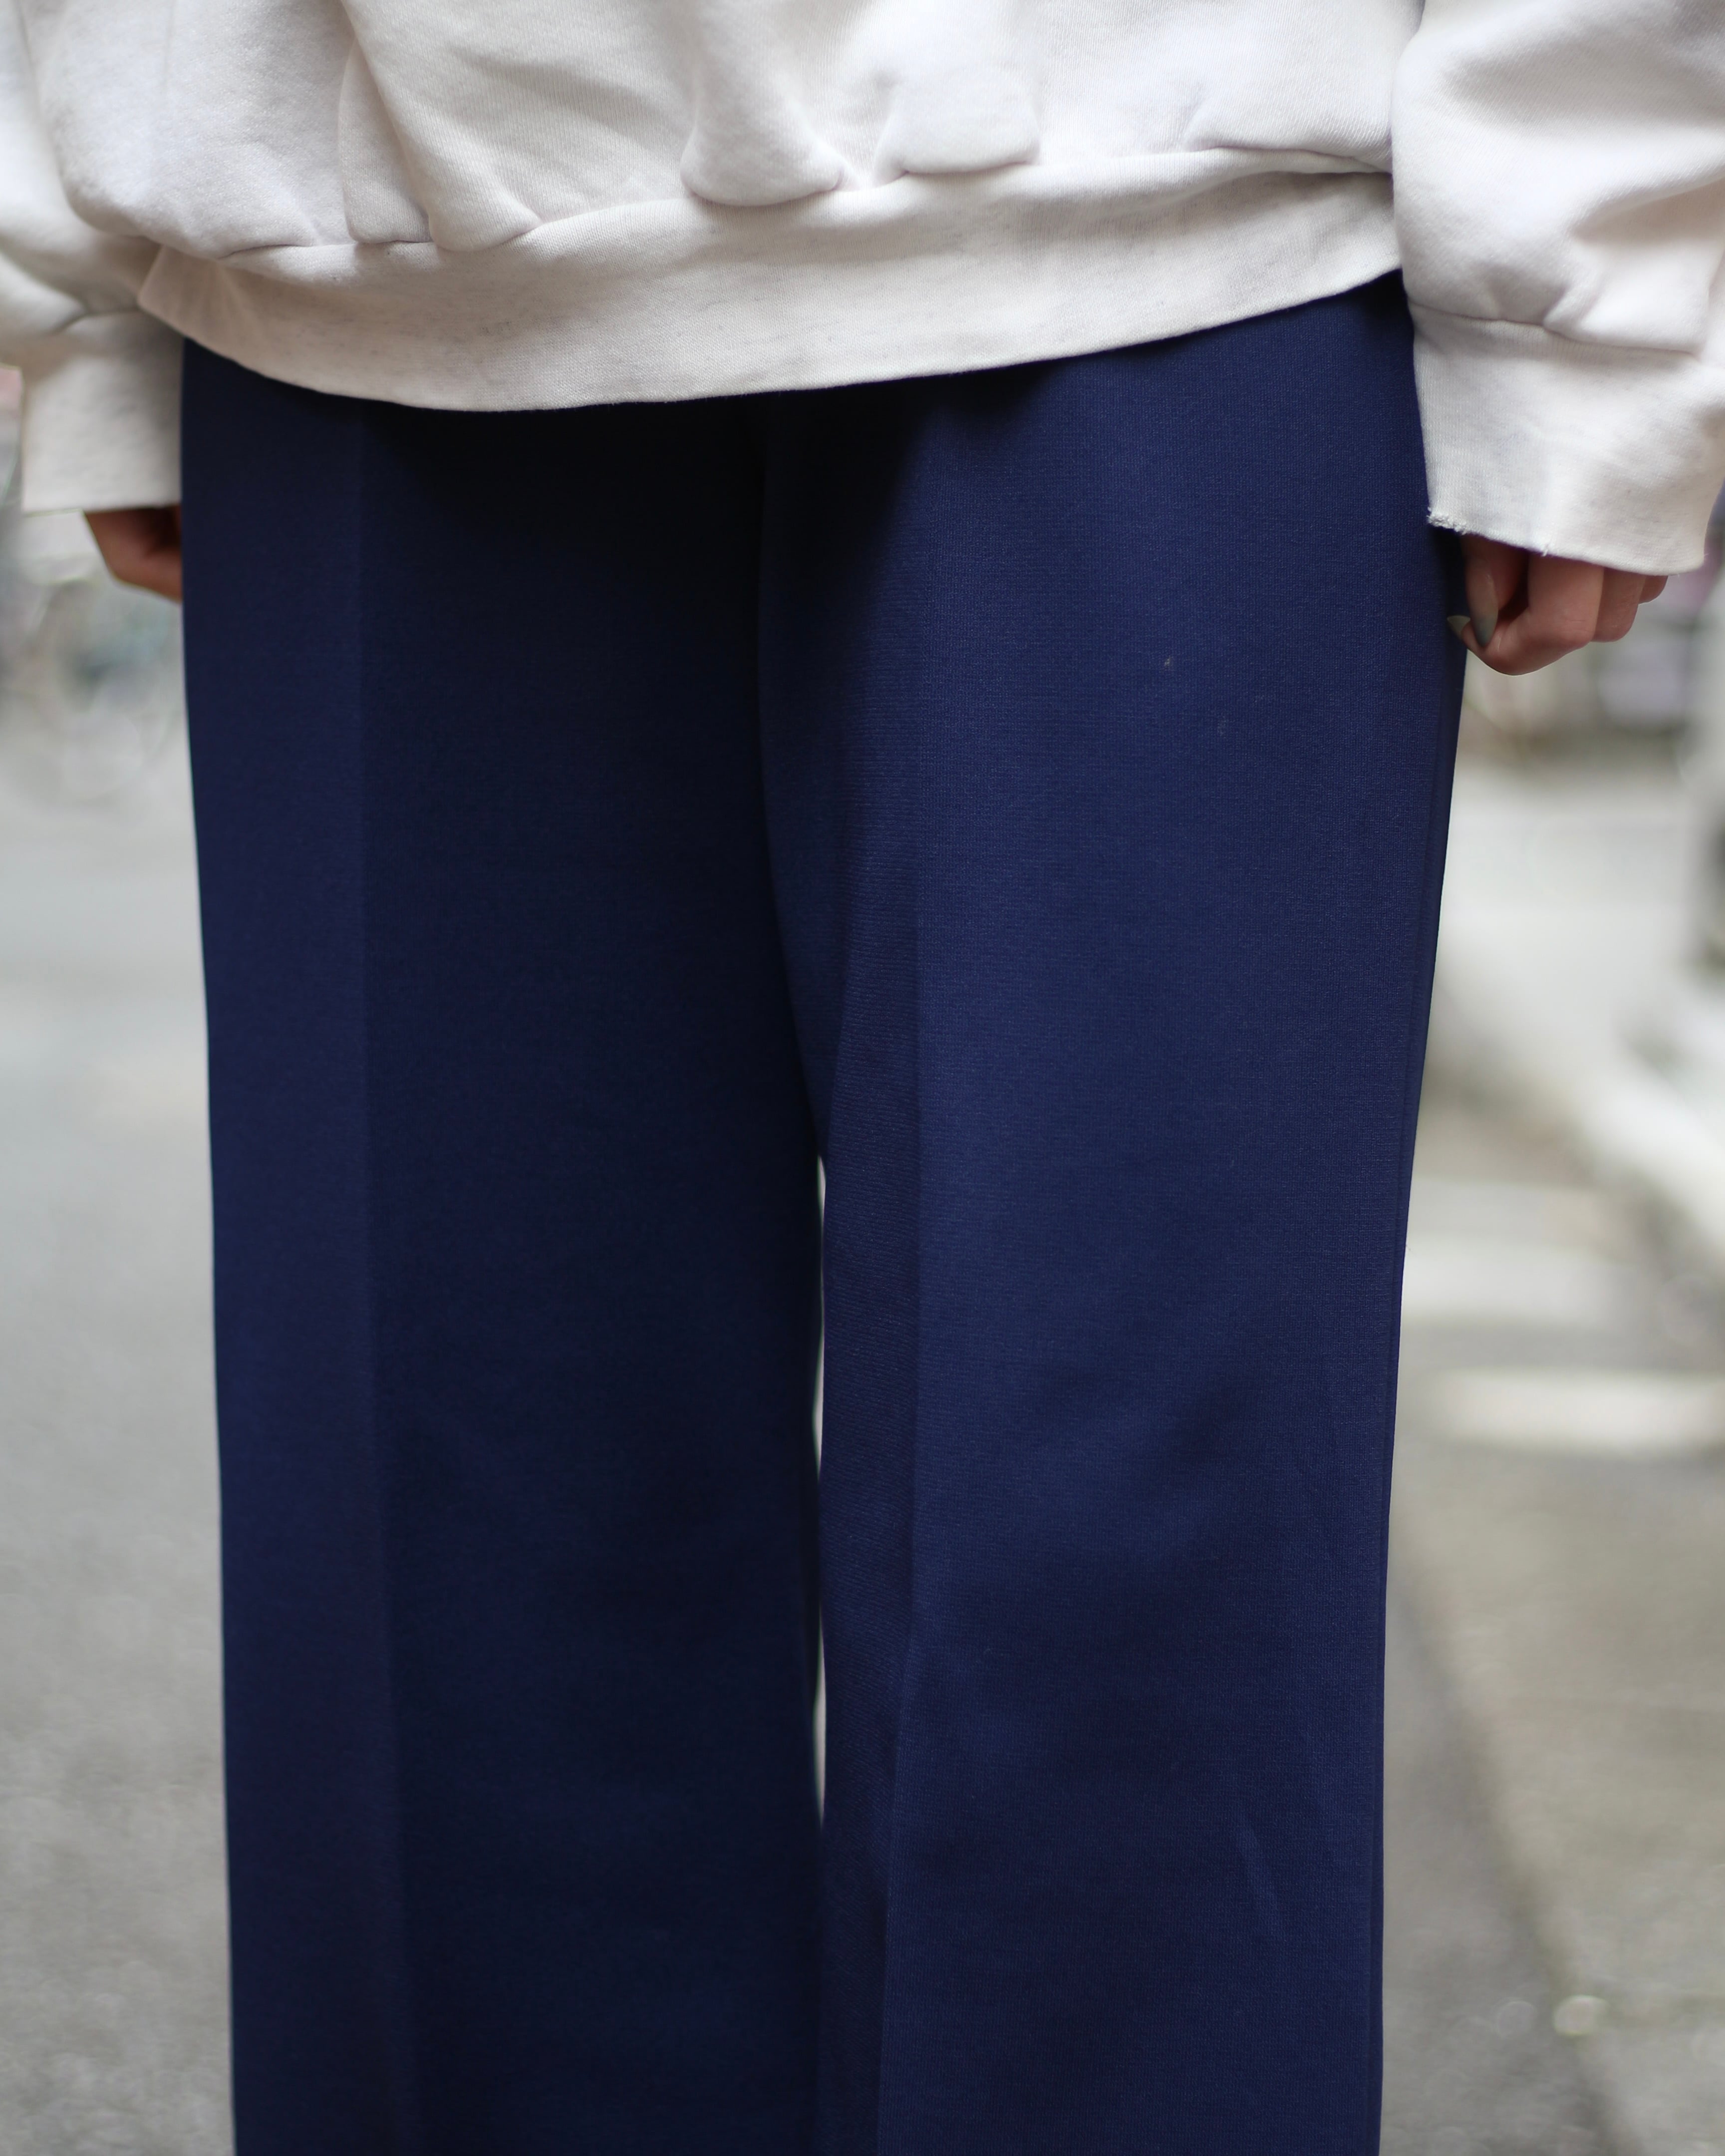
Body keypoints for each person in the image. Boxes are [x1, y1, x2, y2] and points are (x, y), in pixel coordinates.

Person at [2, 5, 1720, 2152]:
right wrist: (97, 269)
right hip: (345, 243)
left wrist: (1586, 260)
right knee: (460, 1617)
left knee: (1116, 1645)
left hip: (1188, 216)